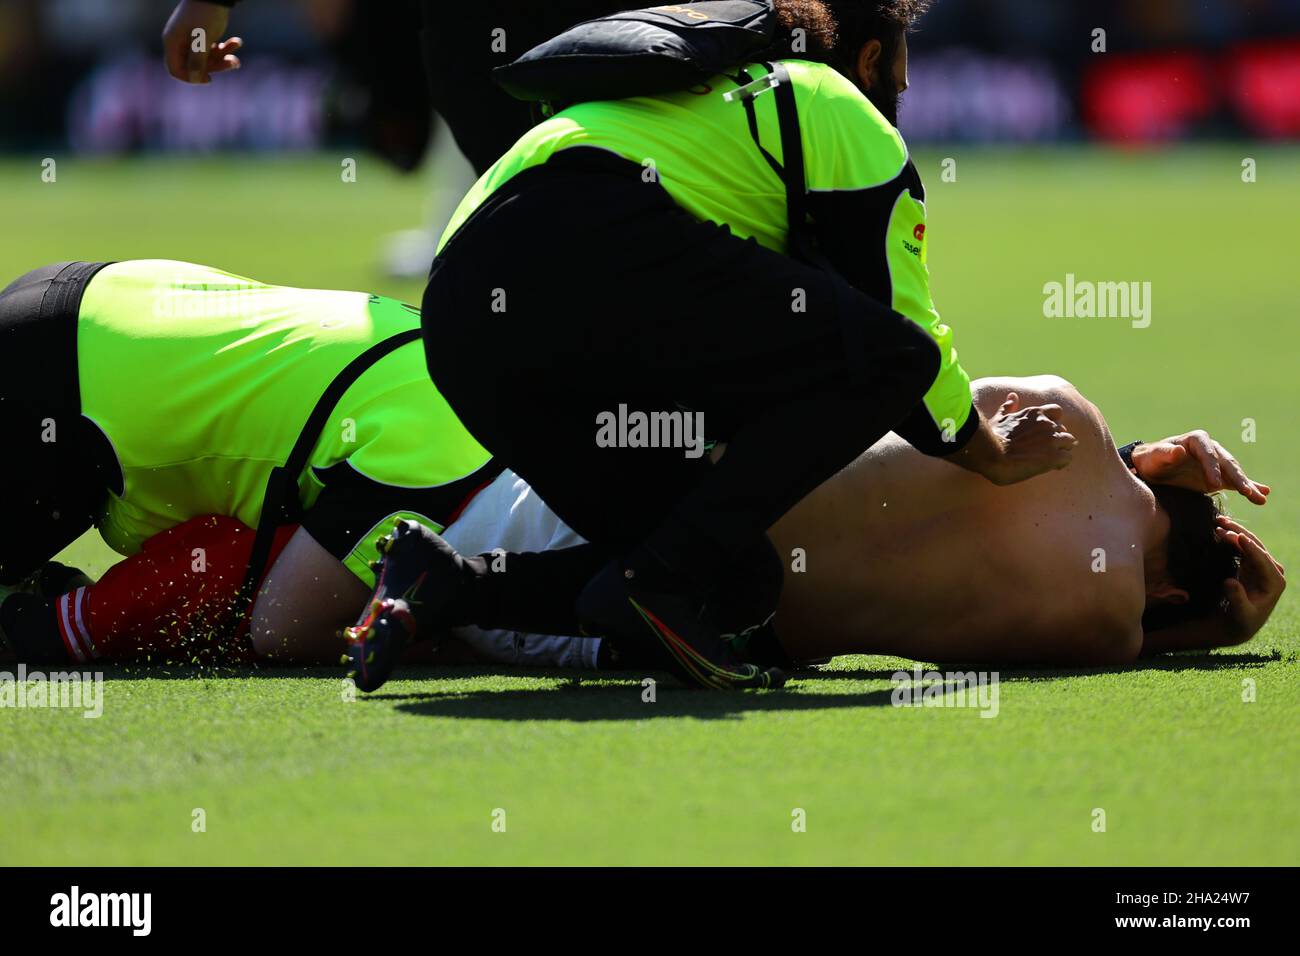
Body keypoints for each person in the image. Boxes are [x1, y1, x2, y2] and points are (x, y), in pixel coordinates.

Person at [349, 0, 1077, 691]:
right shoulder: (835, 101)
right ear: (870, 55)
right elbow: (901, 329)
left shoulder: (692, 91)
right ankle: (652, 585)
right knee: (897, 360)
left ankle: (444, 581)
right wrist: (981, 448)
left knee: (732, 581)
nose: (900, 99)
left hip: (464, 322)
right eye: (900, 80)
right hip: (578, 261)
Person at [9, 376, 1277, 672]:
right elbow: (1128, 604)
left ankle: (443, 579)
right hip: (692, 610)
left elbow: (930, 401)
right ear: (1176, 600)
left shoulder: (1065, 412)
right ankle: (447, 595)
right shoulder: (1107, 627)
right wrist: (1204, 618)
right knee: (699, 623)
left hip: (647, 470)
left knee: (668, 557)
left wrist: (1143, 453)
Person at [0, 260, 499, 665]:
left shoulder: (464, 377)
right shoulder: (444, 455)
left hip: (94, 304)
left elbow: (235, 551)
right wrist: (449, 643)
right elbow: (284, 627)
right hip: (52, 396)